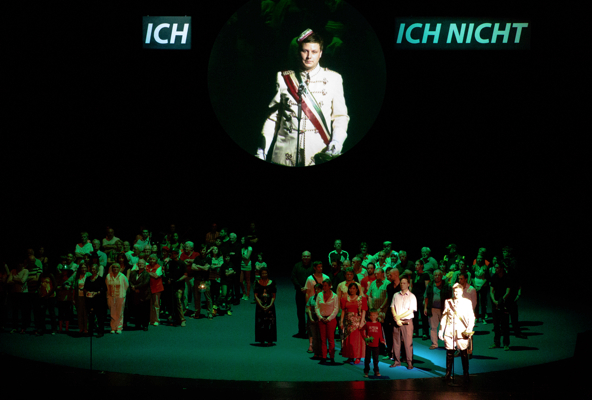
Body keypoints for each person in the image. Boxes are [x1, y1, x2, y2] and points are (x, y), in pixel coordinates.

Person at [256, 28, 349, 166]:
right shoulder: (283, 78)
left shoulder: (334, 79)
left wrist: (337, 141)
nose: (309, 56)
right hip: (285, 154)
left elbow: (340, 117)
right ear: (298, 52)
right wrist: (262, 149)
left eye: (314, 52)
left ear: (321, 53)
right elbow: (273, 118)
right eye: (305, 51)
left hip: (318, 152)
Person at [439, 283, 475, 383]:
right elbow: (444, 317)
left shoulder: (467, 302)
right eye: (455, 291)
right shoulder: (448, 301)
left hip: (462, 330)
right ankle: (448, 373)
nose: (456, 293)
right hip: (450, 330)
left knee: (463, 353)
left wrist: (469, 328)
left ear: (462, 292)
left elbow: (471, 317)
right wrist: (441, 330)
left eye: (458, 291)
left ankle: (466, 373)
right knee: (449, 352)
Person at [389, 277, 417, 369]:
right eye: (401, 283)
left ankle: (409, 362)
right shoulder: (396, 295)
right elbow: (392, 307)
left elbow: (410, 311)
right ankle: (397, 361)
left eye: (404, 283)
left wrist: (398, 317)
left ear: (408, 284)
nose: (402, 284)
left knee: (408, 343)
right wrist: (396, 318)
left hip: (407, 322)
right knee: (396, 342)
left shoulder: (412, 296)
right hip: (396, 321)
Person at [340, 282, 368, 364]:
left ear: (356, 290)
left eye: (354, 288)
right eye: (350, 288)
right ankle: (350, 356)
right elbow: (343, 310)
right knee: (349, 340)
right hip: (348, 322)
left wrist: (362, 322)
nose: (352, 290)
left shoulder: (361, 299)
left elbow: (363, 310)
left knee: (357, 340)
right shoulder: (345, 298)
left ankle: (358, 356)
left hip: (357, 322)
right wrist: (341, 321)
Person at [424, 269, 452, 350]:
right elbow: (426, 297)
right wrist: (425, 308)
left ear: (442, 276)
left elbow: (450, 297)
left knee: (446, 327)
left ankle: (447, 344)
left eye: (439, 275)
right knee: (433, 327)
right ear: (433, 276)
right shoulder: (430, 285)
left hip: (444, 309)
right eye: (435, 275)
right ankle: (434, 344)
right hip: (433, 308)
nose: (437, 276)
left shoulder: (446, 285)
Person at [315, 279, 340, 364]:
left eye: (326, 286)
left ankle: (332, 357)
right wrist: (320, 317)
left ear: (330, 286)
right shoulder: (319, 295)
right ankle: (324, 356)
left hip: (331, 320)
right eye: (323, 286)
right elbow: (317, 307)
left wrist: (329, 318)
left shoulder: (334, 296)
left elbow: (336, 309)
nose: (324, 287)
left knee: (331, 339)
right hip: (321, 319)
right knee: (323, 339)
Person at [291, 251, 313, 338]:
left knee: (311, 313)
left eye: (307, 256)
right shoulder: (297, 266)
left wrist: (308, 288)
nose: (306, 258)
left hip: (311, 293)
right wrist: (300, 287)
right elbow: (293, 277)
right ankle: (301, 332)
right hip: (300, 293)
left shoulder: (313, 266)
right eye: (304, 256)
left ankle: (311, 332)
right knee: (300, 313)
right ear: (301, 257)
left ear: (310, 257)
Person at [254, 267, 276, 346]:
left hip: (270, 305)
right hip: (260, 306)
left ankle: (270, 339)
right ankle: (262, 339)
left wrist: (270, 305)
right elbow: (255, 295)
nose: (264, 275)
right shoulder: (257, 282)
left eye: (265, 273)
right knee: (261, 323)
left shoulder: (272, 283)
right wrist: (260, 305)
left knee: (270, 323)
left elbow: (273, 295)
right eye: (262, 273)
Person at [361, 309, 386, 378]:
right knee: (367, 359)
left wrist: (382, 340)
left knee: (376, 359)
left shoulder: (379, 324)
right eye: (371, 315)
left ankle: (376, 371)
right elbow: (361, 330)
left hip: (376, 345)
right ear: (369, 316)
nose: (373, 317)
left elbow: (380, 333)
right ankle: (366, 371)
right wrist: (365, 337)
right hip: (369, 344)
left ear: (377, 315)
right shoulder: (367, 324)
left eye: (374, 315)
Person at [84, 264, 107, 338]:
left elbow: (104, 289)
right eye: (92, 269)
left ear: (97, 270)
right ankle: (90, 332)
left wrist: (97, 293)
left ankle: (100, 332)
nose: (93, 270)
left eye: (94, 269)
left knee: (100, 317)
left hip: (99, 301)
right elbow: (85, 288)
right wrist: (87, 292)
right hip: (90, 300)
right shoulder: (88, 278)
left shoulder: (101, 279)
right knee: (90, 317)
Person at [105, 263, 129, 334]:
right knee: (112, 312)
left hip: (120, 296)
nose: (115, 269)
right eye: (114, 267)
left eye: (117, 267)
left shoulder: (122, 276)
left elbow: (126, 285)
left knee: (119, 312)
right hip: (111, 296)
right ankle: (113, 327)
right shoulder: (108, 276)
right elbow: (106, 286)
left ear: (119, 269)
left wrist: (122, 293)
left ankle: (119, 327)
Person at [129, 259, 151, 331]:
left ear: (145, 265)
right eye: (139, 263)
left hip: (144, 295)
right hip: (135, 295)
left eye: (142, 263)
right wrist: (133, 288)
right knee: (137, 310)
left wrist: (135, 287)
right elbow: (130, 281)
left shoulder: (147, 274)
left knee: (145, 311)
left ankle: (145, 325)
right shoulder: (133, 273)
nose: (140, 265)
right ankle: (137, 324)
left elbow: (145, 283)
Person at [306, 283, 323, 357]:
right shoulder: (311, 298)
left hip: (321, 319)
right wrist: (310, 318)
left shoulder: (323, 299)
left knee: (320, 336)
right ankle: (315, 351)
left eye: (318, 289)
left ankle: (322, 352)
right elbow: (308, 309)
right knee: (314, 335)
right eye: (315, 289)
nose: (316, 290)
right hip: (312, 318)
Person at [240, 237, 253, 301]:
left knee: (248, 281)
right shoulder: (242, 248)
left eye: (243, 239)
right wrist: (243, 256)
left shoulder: (249, 248)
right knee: (241, 280)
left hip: (247, 266)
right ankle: (244, 293)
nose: (241, 240)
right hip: (242, 265)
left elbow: (247, 257)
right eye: (241, 239)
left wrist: (242, 256)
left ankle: (247, 294)